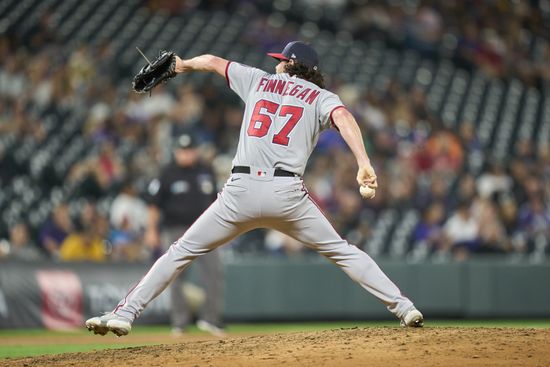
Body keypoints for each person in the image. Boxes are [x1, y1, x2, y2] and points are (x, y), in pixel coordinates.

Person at [86, 41, 424, 337]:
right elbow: (345, 118)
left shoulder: (258, 80)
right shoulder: (322, 96)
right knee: (343, 251)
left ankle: (124, 314)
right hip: (287, 193)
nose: (276, 63)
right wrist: (363, 161)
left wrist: (184, 65)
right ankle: (404, 307)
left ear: (292, 64)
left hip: (241, 191)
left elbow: (215, 62)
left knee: (179, 252)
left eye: (282, 59)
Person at [143, 132, 224, 336]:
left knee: (214, 273)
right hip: (176, 229)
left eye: (189, 150)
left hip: (207, 230)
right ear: (176, 152)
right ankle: (179, 322)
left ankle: (211, 319)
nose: (186, 154)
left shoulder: (205, 170)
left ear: (196, 151)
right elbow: (154, 204)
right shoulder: (167, 173)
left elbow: (218, 201)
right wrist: (151, 229)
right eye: (182, 151)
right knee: (175, 276)